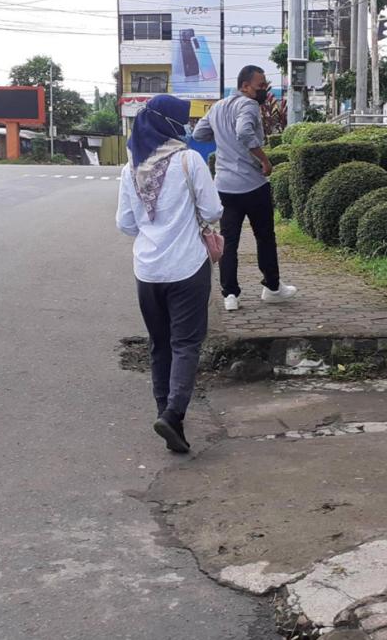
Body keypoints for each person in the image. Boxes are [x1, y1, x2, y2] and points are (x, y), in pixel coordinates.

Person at [116, 95, 223, 454]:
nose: (188, 126)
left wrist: (154, 228)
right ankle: (174, 414)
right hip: (187, 268)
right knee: (186, 343)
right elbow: (212, 208)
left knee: (159, 344)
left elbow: (125, 223)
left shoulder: (131, 166)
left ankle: (164, 409)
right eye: (184, 120)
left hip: (147, 271)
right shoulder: (189, 160)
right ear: (171, 123)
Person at [193, 65, 297, 312]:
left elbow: (199, 133)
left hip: (225, 186)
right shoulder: (248, 105)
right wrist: (264, 159)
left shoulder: (218, 106)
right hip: (252, 185)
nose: (264, 89)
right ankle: (272, 288)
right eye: (260, 86)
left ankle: (230, 295)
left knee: (228, 241)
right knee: (265, 237)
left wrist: (222, 140)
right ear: (245, 86)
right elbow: (243, 132)